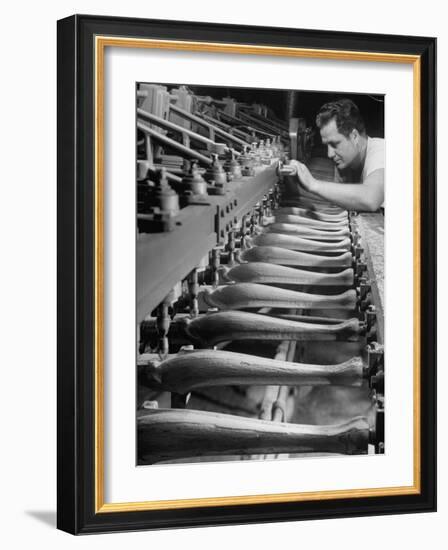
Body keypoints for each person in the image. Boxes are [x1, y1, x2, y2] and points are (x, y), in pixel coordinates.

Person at [290, 99, 384, 211]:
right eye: (327, 146)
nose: (330, 154)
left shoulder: (382, 151)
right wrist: (294, 186)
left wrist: (313, 184)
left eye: (335, 144)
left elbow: (371, 199)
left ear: (354, 136)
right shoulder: (350, 163)